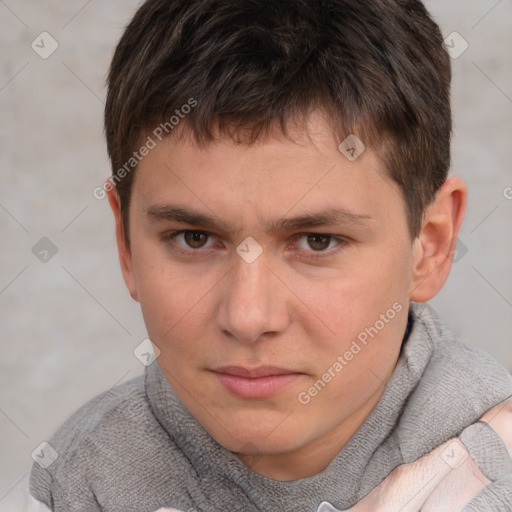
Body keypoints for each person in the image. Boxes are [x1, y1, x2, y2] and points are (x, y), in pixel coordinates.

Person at [29, 0, 512, 510]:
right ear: (126, 244)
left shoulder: (493, 471)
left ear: (430, 246)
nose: (248, 317)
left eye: (317, 241)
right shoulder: (85, 480)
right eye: (194, 237)